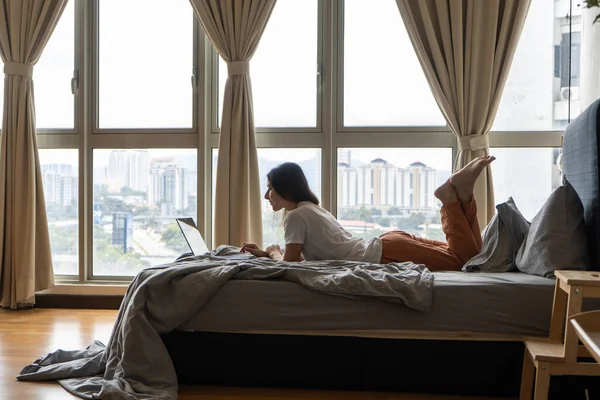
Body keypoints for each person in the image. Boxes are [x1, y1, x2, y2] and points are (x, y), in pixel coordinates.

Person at [240, 156, 495, 271]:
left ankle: (451, 200)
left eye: (270, 189)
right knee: (472, 258)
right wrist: (266, 253)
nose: (266, 196)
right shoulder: (311, 209)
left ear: (285, 189)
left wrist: (273, 252)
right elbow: (307, 260)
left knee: (464, 262)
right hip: (390, 244)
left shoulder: (295, 216)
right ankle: (463, 196)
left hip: (386, 252)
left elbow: (292, 267)